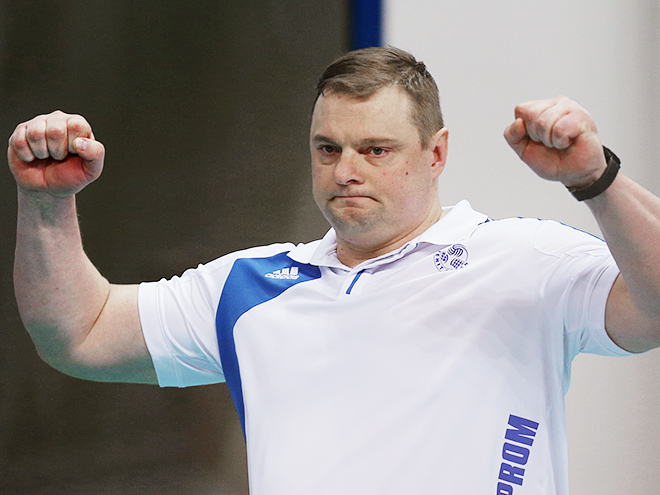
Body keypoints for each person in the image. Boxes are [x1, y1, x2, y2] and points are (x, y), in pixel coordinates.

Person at [8, 46, 660, 494]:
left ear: (437, 153)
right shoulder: (248, 287)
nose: (346, 170)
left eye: (376, 149)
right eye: (328, 148)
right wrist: (45, 203)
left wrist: (596, 179)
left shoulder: (522, 260)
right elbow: (79, 333)